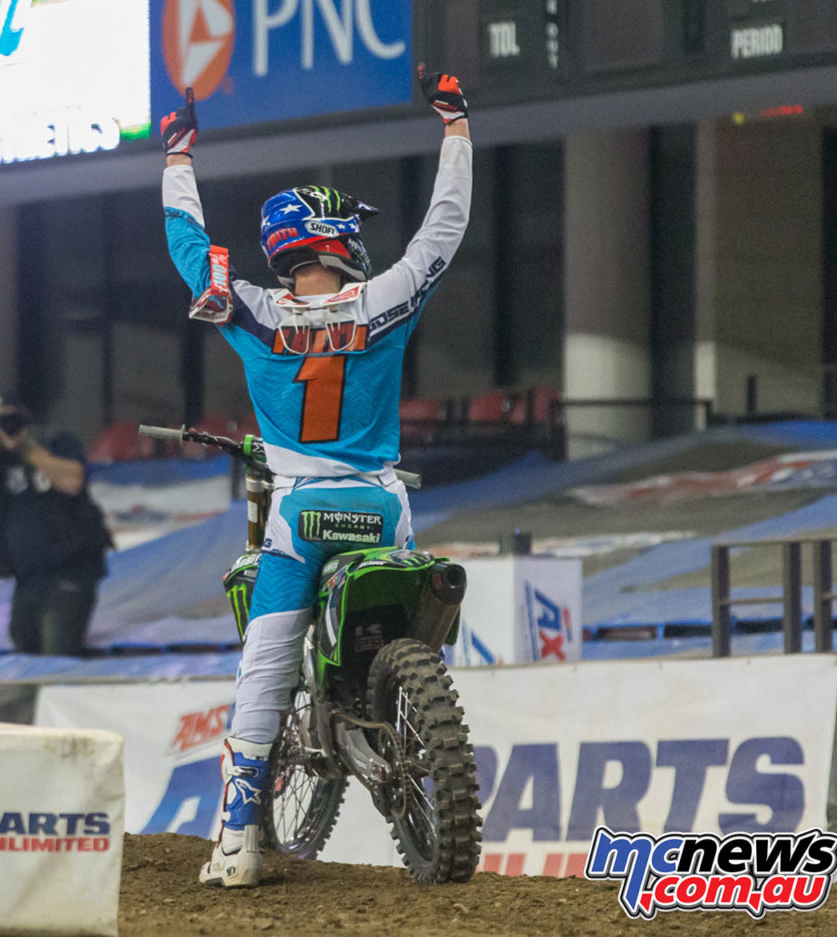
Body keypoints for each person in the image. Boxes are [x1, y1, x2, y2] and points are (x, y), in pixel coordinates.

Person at [161, 65, 471, 887]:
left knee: (263, 669)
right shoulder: (386, 299)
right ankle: (392, 722)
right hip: (380, 508)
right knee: (420, 614)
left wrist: (178, 157)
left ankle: (236, 845)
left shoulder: (252, 309)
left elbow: (189, 249)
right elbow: (444, 228)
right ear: (338, 242)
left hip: (299, 514)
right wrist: (454, 128)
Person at [0, 394, 113, 656]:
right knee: (25, 650)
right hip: (27, 578)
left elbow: (73, 482)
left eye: (6, 415)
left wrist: (25, 447)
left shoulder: (56, 442)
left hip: (69, 570)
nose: (2, 424)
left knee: (57, 652)